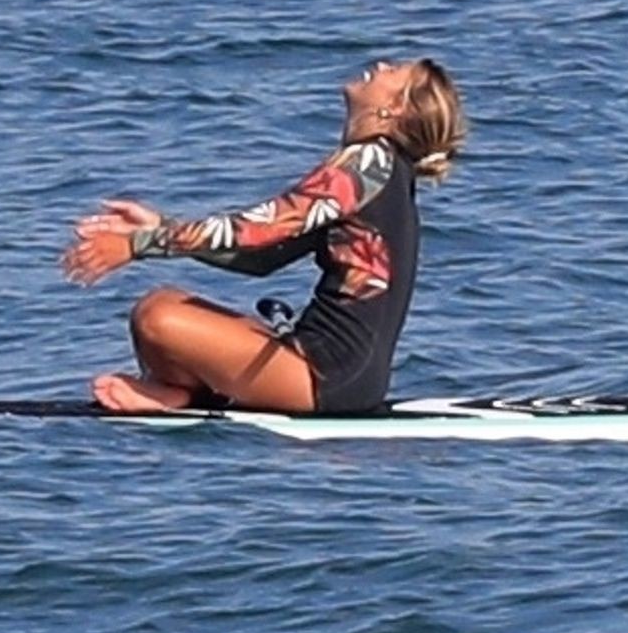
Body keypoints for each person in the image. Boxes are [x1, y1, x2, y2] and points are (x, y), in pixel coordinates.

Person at [61, 58, 467, 414]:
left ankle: (184, 396)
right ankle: (180, 393)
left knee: (156, 317)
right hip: (341, 375)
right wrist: (159, 227)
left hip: (326, 377)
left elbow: (259, 229)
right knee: (164, 303)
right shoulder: (385, 172)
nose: (380, 65)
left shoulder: (369, 162)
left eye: (394, 71)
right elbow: (262, 258)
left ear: (393, 109)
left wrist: (138, 245)